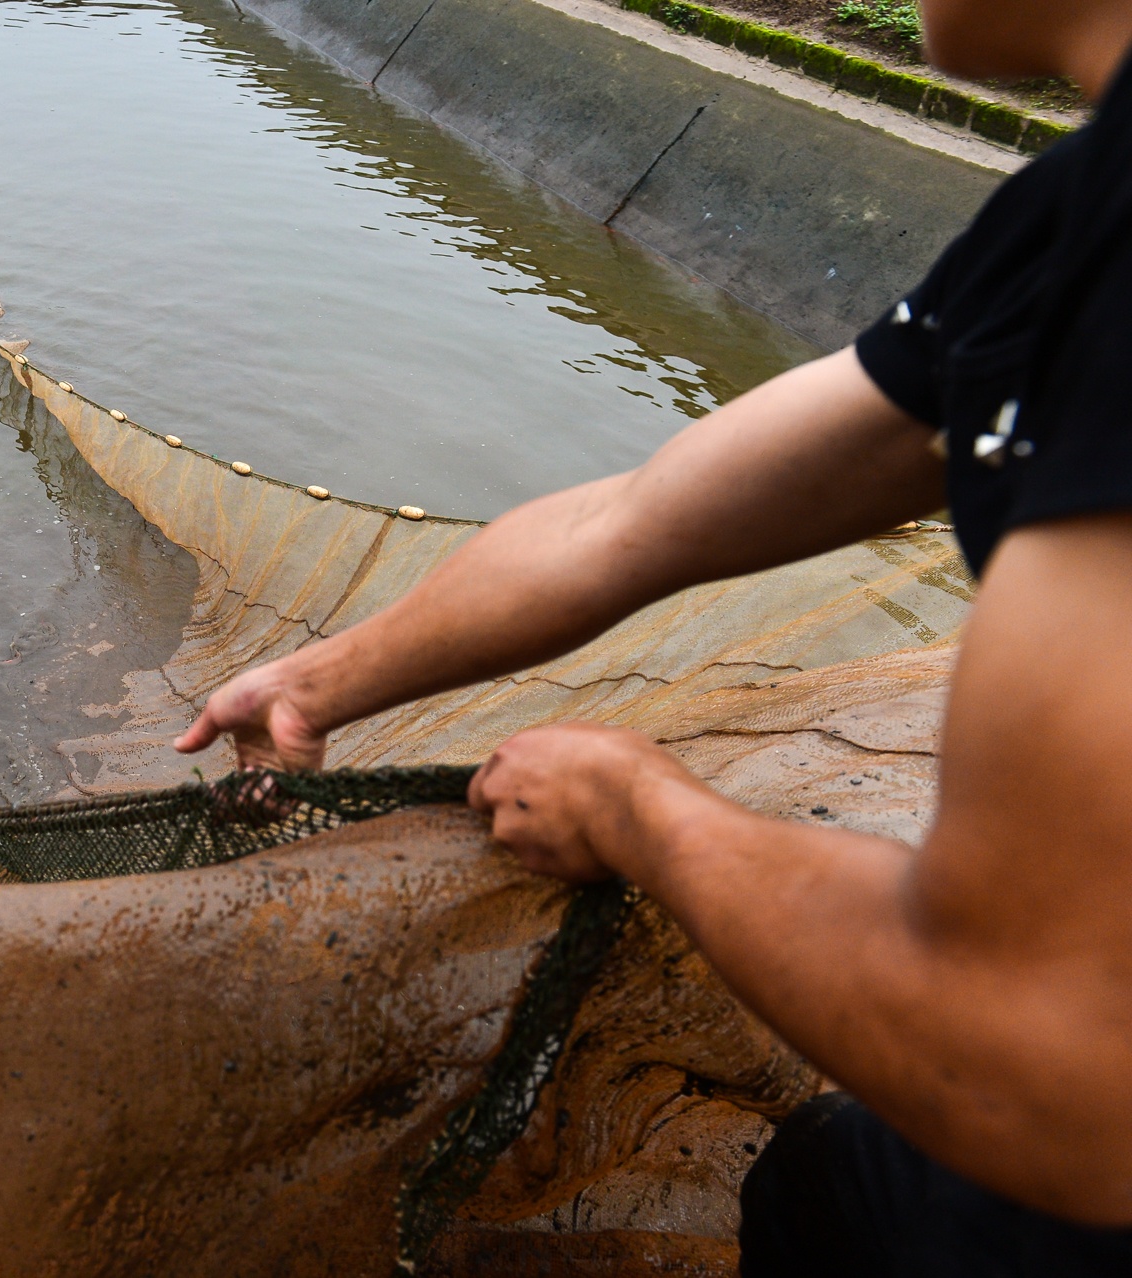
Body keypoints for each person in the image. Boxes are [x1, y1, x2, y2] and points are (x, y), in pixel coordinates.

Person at [176, 0, 1132, 1270]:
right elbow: (634, 522)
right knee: (821, 1182)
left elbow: (1056, 1069)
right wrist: (312, 685)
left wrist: (640, 812)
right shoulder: (1072, 217)